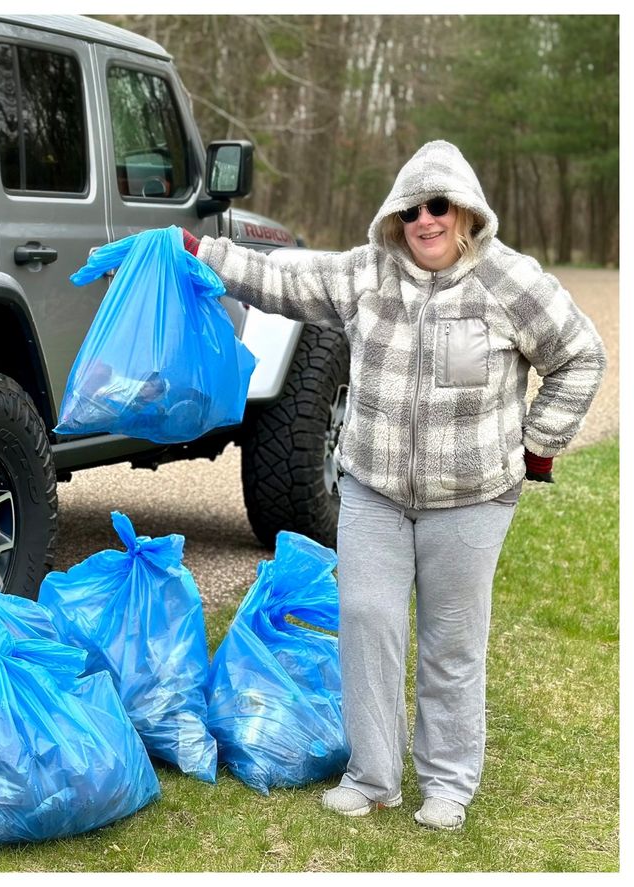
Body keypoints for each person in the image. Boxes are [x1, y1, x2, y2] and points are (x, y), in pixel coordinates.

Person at [182, 140, 606, 830]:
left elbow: (581, 354)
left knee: (452, 639)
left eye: (439, 205)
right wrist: (203, 253)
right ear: (395, 217)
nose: (426, 220)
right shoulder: (367, 274)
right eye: (412, 208)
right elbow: (285, 280)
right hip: (374, 489)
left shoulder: (509, 280)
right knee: (367, 621)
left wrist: (538, 445)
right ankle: (373, 775)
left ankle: (447, 782)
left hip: (471, 499)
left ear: (465, 211)